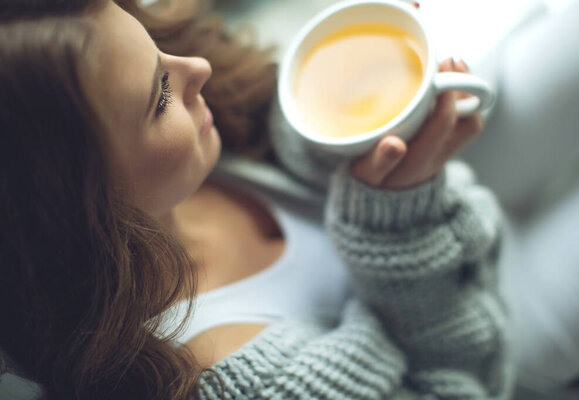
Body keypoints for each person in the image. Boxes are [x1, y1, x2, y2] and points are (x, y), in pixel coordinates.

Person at [0, 0, 512, 399]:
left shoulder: (187, 152)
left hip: (461, 212)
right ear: (75, 204)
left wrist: (330, 124)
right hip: (488, 329)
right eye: (159, 97)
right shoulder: (224, 377)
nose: (197, 67)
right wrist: (395, 222)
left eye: (154, 43)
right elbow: (458, 386)